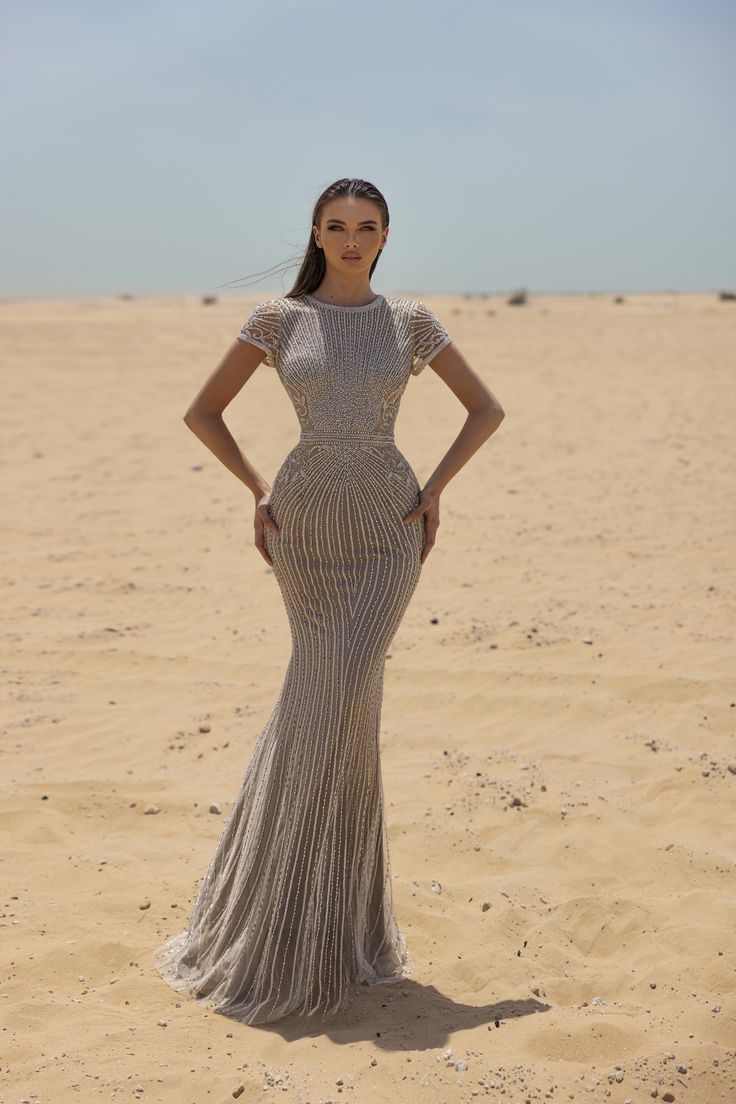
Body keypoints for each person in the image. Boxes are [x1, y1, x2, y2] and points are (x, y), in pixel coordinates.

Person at [152, 177, 505, 1025]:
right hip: (304, 527)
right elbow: (203, 412)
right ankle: (279, 925)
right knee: (332, 707)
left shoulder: (411, 322)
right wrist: (258, 488)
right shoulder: (278, 321)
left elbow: (485, 410)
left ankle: (319, 924)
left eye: (368, 227)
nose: (352, 239)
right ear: (316, 232)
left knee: (337, 694)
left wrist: (436, 490)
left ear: (387, 237)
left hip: (388, 529)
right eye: (337, 226)